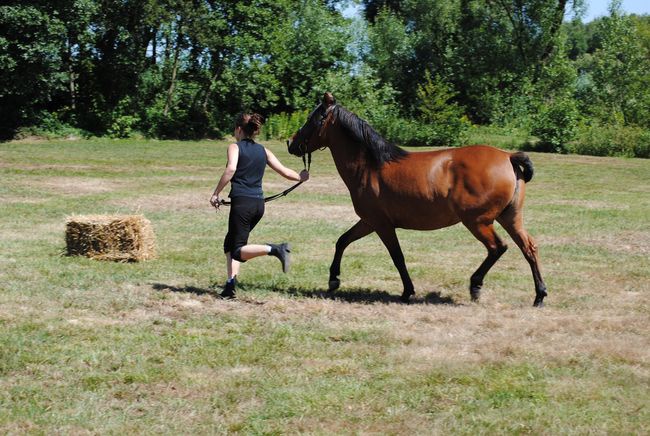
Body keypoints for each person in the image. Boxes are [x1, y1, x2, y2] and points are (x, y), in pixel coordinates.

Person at [210, 112, 309, 299]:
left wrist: (215, 193)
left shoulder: (234, 147)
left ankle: (277, 249)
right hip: (258, 205)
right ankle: (230, 286)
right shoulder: (263, 150)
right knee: (230, 244)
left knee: (238, 250)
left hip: (242, 205)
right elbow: (284, 171)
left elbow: (231, 169)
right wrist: (300, 177)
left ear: (239, 129)